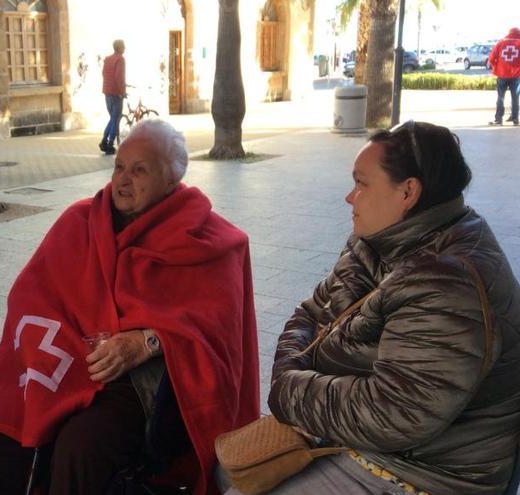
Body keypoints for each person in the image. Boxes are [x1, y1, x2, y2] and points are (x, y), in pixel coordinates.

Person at [0, 119, 260, 494]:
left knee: (80, 450)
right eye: (120, 166)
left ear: (172, 180)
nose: (123, 180)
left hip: (143, 380)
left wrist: (147, 341)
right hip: (68, 360)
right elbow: (30, 295)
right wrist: (59, 345)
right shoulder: (79, 221)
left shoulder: (209, 240)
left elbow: (215, 329)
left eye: (139, 170)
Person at [223, 121, 520, 495]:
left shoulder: (447, 282)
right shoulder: (377, 242)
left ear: (408, 191)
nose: (350, 197)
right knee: (231, 472)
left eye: (362, 183)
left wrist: (289, 390)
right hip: (367, 439)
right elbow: (310, 313)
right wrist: (290, 376)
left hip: (429, 472)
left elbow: (394, 413)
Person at [488, 27, 520, 126]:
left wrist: (496, 68)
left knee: (500, 97)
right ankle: (515, 119)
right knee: (515, 98)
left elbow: (492, 58)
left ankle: (498, 119)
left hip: (502, 75)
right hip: (516, 76)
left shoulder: (501, 43)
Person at [99, 39, 126, 155]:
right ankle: (110, 144)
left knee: (112, 118)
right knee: (116, 118)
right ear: (119, 48)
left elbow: (104, 73)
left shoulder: (107, 59)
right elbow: (119, 77)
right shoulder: (120, 59)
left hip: (107, 91)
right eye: (123, 46)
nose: (125, 48)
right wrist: (122, 92)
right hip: (116, 93)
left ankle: (104, 141)